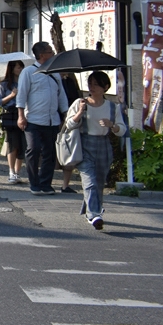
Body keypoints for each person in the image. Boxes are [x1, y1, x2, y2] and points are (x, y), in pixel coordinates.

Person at [66, 71, 127, 230]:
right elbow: (69, 125)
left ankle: (91, 209)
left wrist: (111, 125)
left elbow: (122, 130)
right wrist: (79, 113)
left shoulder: (113, 107)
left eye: (95, 84)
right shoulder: (80, 102)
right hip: (85, 144)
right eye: (90, 83)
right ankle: (94, 214)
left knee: (99, 181)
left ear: (105, 87)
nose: (91, 87)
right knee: (89, 180)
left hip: (103, 145)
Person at [16, 41, 68, 196]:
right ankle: (34, 183)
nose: (52, 54)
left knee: (50, 152)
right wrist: (20, 116)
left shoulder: (55, 73)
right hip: (33, 119)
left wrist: (65, 114)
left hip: (52, 119)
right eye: (50, 51)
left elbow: (61, 96)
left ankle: (46, 184)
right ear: (42, 55)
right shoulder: (28, 72)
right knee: (33, 150)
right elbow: (22, 95)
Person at [0, 60, 26, 184]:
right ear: (12, 69)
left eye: (21, 67)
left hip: (24, 113)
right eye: (18, 67)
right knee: (13, 144)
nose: (20, 70)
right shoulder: (4, 85)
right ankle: (11, 171)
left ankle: (18, 172)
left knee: (22, 145)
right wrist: (12, 95)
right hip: (10, 114)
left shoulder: (25, 82)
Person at [58, 72, 83, 194]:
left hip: (72, 119)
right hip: (59, 120)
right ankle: (62, 184)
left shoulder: (69, 82)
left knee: (71, 151)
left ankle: (66, 184)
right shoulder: (54, 81)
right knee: (65, 151)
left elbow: (74, 97)